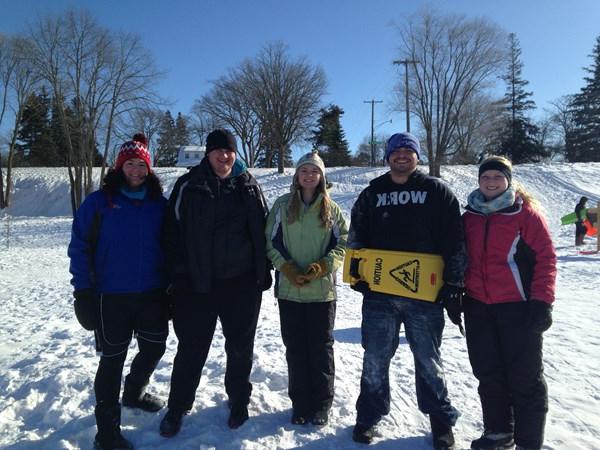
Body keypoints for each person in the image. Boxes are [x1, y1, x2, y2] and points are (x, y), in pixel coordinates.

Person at [348, 132, 466, 449]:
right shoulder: (372, 193)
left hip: (424, 297)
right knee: (374, 358)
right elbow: (356, 235)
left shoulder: (437, 192)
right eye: (396, 151)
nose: (402, 156)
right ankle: (368, 416)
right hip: (379, 297)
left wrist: (454, 283)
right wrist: (356, 271)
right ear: (387, 157)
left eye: (408, 151)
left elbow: (455, 240)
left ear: (417, 157)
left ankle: (441, 422)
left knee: (429, 359)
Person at [159, 129, 271, 437]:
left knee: (240, 348)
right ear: (208, 153)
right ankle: (177, 406)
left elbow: (264, 229)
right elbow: (171, 234)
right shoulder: (189, 184)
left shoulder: (248, 185)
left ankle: (238, 400)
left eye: (229, 151)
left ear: (235, 154)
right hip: (197, 285)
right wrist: (178, 275)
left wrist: (264, 270)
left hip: (241, 284)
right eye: (218, 151)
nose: (224, 156)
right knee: (192, 348)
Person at [68, 133, 169, 450]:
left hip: (152, 294)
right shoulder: (99, 203)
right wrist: (83, 292)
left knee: (154, 348)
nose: (137, 171)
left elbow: (173, 247)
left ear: (149, 169)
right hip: (109, 297)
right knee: (112, 360)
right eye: (130, 165)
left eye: (142, 165)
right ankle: (107, 433)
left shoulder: (159, 206)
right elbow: (79, 247)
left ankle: (135, 391)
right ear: (119, 167)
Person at [462, 156, 556, 450]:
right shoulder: (469, 217)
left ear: (508, 181)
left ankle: (529, 442)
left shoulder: (524, 214)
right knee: (488, 373)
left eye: (497, 177)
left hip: (518, 307)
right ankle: (499, 432)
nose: (491, 182)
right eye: (485, 177)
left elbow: (546, 259)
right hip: (478, 307)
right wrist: (454, 292)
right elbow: (458, 259)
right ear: (479, 181)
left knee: (525, 377)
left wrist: (542, 301)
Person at [265, 151, 348, 426]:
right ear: (297, 176)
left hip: (321, 292)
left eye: (315, 172)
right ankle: (300, 404)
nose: (309, 176)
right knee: (296, 349)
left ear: (322, 177)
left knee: (321, 349)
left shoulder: (331, 209)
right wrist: (286, 267)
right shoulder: (281, 206)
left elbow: (343, 243)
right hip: (289, 291)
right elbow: (270, 242)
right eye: (304, 171)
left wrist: (322, 266)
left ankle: (322, 404)